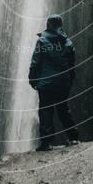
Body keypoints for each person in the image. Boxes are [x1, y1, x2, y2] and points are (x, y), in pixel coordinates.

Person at [28, 14, 79, 151]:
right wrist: (69, 81)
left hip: (46, 83)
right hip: (63, 83)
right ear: (60, 25)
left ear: (49, 25)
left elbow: (35, 62)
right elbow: (71, 65)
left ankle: (46, 143)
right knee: (63, 110)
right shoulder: (68, 43)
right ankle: (73, 137)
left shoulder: (42, 41)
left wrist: (32, 79)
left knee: (46, 110)